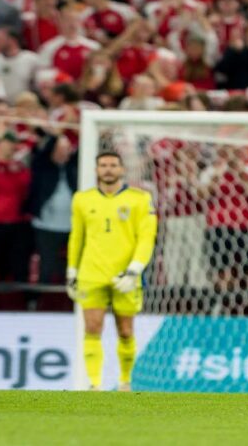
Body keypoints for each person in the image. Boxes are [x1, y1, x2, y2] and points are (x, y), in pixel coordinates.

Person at [67, 151, 157, 392]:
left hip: (125, 275)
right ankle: (94, 385)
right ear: (96, 170)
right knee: (92, 327)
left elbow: (147, 237)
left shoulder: (140, 199)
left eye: (113, 165)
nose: (108, 169)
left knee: (125, 331)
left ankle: (125, 381)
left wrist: (134, 271)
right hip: (91, 273)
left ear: (122, 169)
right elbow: (77, 236)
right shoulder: (82, 199)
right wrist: (72, 271)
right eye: (103, 165)